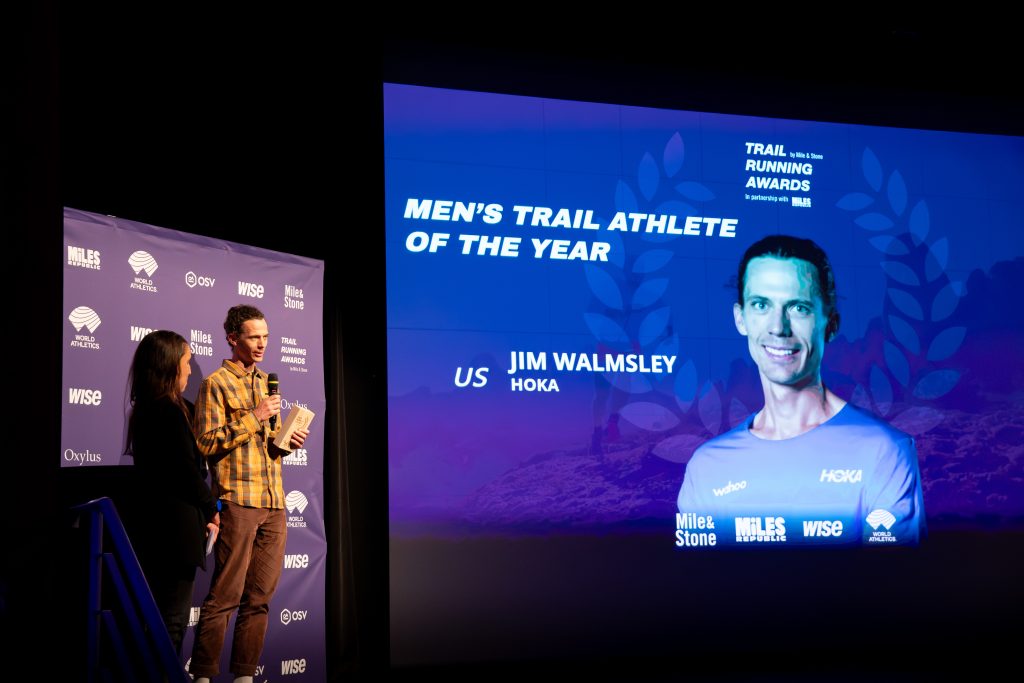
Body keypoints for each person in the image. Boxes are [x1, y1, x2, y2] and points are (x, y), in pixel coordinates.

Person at [676, 235, 926, 547]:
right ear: (741, 318)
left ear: (830, 323)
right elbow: (695, 590)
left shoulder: (883, 452)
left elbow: (894, 589)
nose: (778, 327)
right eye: (761, 305)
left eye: (798, 307)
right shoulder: (707, 468)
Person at [189, 305, 309, 683]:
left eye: (266, 337)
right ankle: (204, 674)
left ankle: (244, 676)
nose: (261, 344)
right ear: (233, 338)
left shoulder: (267, 383)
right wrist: (253, 416)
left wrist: (289, 441)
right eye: (254, 336)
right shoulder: (215, 383)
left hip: (274, 501)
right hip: (238, 499)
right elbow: (206, 443)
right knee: (225, 595)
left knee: (260, 599)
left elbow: (269, 446)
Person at [126, 330, 219, 654]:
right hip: (174, 534)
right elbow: (185, 473)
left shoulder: (151, 410)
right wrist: (211, 508)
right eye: (186, 361)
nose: (190, 370)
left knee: (161, 620)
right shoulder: (166, 412)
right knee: (172, 622)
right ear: (169, 366)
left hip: (155, 530)